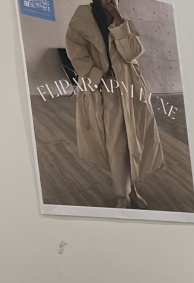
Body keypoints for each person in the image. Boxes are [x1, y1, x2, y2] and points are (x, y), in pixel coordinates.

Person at [66, 0, 164, 209]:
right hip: (105, 88)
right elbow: (76, 53)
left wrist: (118, 19)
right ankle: (123, 194)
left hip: (131, 86)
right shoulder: (82, 16)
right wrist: (96, 76)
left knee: (135, 139)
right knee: (116, 143)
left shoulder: (120, 18)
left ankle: (132, 188)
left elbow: (132, 53)